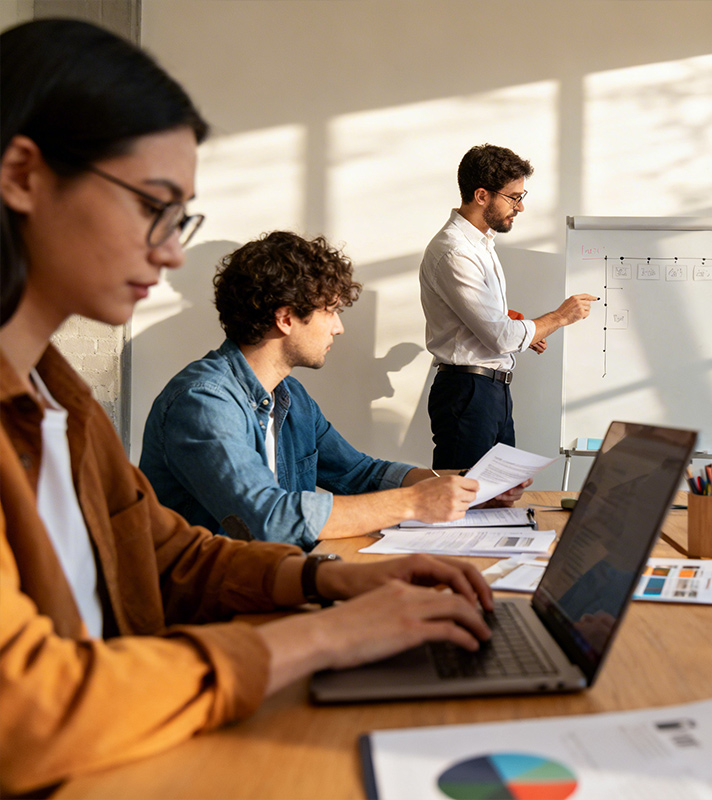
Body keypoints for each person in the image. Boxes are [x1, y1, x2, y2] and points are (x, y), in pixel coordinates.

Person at [0, 19, 493, 795]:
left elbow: (172, 556)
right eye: (152, 207)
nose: (168, 253)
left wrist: (331, 584)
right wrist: (324, 636)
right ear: (24, 176)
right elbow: (25, 710)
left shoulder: (59, 396)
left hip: (133, 737)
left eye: (180, 219)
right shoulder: (192, 399)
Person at [140, 231, 528, 550]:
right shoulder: (203, 401)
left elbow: (361, 472)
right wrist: (413, 502)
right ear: (286, 318)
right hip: (212, 612)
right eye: (330, 311)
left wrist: (466, 486)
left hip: (276, 582)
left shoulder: (289, 396)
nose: (338, 327)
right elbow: (268, 520)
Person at [420, 143, 598, 469]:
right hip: (469, 392)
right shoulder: (455, 251)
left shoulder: (481, 244)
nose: (520, 207)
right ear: (482, 195)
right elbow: (501, 337)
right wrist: (559, 317)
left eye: (521, 196)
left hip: (490, 393)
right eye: (513, 197)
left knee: (498, 497)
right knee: (466, 505)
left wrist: (517, 322)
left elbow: (482, 318)